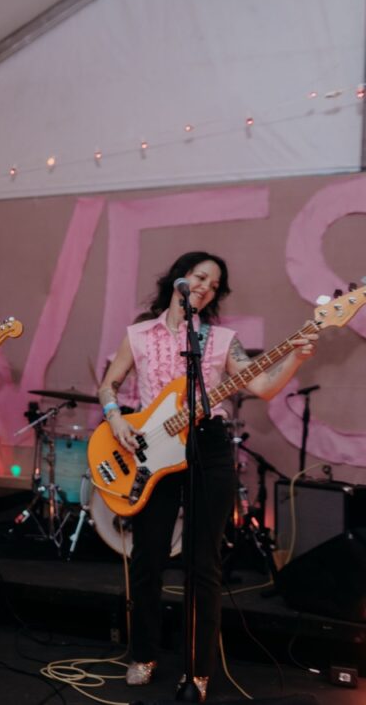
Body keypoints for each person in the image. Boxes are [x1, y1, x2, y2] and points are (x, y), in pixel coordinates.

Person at [98, 252, 317, 702]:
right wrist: (116, 419)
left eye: (214, 284)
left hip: (208, 446)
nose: (205, 286)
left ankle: (197, 669)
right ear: (177, 278)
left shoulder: (220, 340)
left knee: (204, 564)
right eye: (200, 276)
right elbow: (109, 383)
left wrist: (295, 356)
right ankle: (143, 654)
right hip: (148, 450)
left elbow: (262, 387)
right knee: (147, 559)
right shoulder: (137, 334)